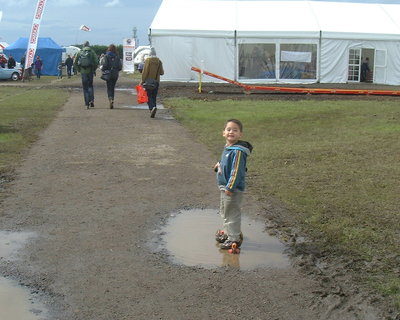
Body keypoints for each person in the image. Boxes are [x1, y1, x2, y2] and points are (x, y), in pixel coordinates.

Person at [214, 119, 253, 250]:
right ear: (223, 133)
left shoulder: (238, 151)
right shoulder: (228, 147)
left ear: (240, 134)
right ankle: (228, 233)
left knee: (231, 214)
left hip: (232, 189)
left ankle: (234, 238)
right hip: (224, 187)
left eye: (235, 130)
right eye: (229, 129)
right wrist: (219, 164)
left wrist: (230, 187)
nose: (231, 132)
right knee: (225, 211)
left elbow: (236, 171)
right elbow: (225, 160)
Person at [74, 41, 99, 109]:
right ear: (89, 45)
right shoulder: (92, 52)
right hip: (90, 71)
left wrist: (79, 69)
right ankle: (92, 100)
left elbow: (75, 62)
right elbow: (96, 61)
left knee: (85, 88)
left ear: (83, 45)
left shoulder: (80, 52)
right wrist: (94, 69)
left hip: (83, 71)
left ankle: (87, 103)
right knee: (90, 86)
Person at [140, 47, 164, 118]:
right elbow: (162, 72)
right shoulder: (159, 61)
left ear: (149, 54)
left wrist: (142, 80)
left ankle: (152, 108)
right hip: (156, 82)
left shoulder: (148, 60)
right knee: (154, 97)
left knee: (148, 96)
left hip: (148, 82)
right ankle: (153, 109)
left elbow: (145, 72)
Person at [101, 44, 122, 109]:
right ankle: (112, 98)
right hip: (115, 74)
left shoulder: (106, 56)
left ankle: (110, 99)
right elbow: (120, 67)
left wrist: (103, 69)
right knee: (113, 87)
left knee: (109, 87)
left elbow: (105, 65)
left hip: (108, 74)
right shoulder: (117, 56)